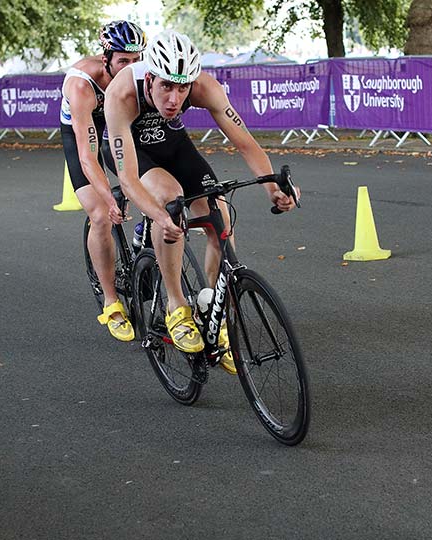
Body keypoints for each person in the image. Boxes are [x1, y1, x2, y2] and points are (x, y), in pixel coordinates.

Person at [103, 30, 298, 373]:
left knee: (218, 212)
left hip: (173, 143)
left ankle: (214, 310)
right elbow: (129, 179)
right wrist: (157, 216)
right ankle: (176, 305)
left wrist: (273, 188)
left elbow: (246, 143)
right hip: (132, 152)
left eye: (182, 88)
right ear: (149, 78)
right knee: (170, 200)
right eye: (166, 86)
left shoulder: (204, 87)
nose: (175, 98)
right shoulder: (122, 92)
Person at [60, 20, 147, 342]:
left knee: (151, 183)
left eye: (137, 60)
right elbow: (87, 156)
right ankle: (111, 302)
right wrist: (110, 200)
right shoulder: (82, 84)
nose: (131, 68)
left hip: (118, 120)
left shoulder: (141, 75)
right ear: (106, 57)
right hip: (85, 128)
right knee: (100, 214)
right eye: (123, 61)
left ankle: (144, 236)